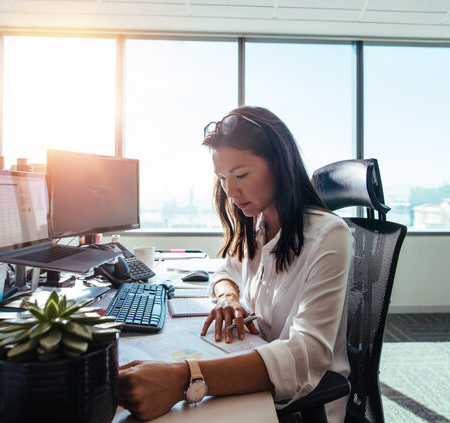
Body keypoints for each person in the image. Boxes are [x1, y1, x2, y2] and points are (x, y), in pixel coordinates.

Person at [117, 106, 352, 422]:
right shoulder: (258, 225)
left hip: (300, 403)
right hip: (256, 368)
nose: (231, 191)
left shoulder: (329, 234)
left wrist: (186, 378)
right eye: (222, 178)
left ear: (280, 166)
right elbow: (226, 271)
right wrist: (229, 298)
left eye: (241, 175)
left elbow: (307, 353)